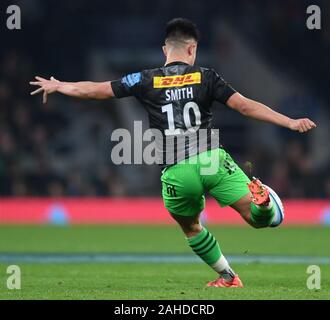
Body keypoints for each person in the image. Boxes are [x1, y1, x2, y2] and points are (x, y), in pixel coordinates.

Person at [30, 18, 316, 288]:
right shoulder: (207, 76)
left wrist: (60, 86)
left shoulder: (144, 79)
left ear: (165, 49)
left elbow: (96, 91)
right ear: (192, 48)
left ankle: (228, 277)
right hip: (211, 160)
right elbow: (244, 106)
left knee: (191, 227)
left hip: (177, 170)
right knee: (257, 220)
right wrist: (288, 121)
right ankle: (263, 204)